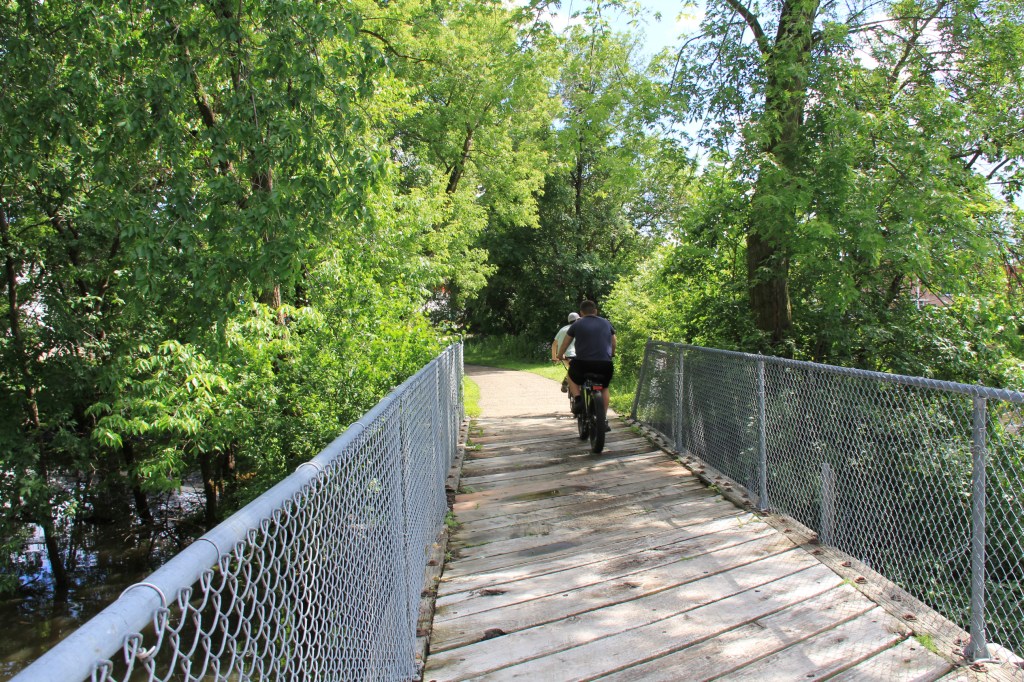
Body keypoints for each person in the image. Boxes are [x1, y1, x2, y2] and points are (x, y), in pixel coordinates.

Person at [556, 300, 615, 424]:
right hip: (605, 363)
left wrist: (560, 355)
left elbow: (566, 342)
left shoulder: (577, 324)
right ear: (595, 311)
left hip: (583, 363)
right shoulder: (606, 323)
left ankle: (578, 400)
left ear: (581, 313)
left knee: (571, 376)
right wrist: (612, 354)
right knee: (604, 387)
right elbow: (613, 340)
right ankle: (603, 419)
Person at [551, 312, 579, 392]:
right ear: (578, 319)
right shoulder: (579, 328)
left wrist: (554, 358)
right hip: (576, 355)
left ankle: (566, 381)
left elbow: (554, 344)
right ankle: (567, 382)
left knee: (573, 369)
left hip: (564, 355)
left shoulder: (562, 329)